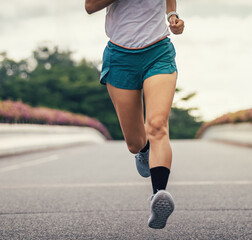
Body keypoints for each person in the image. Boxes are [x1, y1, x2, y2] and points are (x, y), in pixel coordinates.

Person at [85, 0, 185, 229]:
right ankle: (144, 151)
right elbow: (89, 6)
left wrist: (172, 15)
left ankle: (158, 194)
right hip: (120, 56)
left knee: (158, 125)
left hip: (158, 51)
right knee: (134, 142)